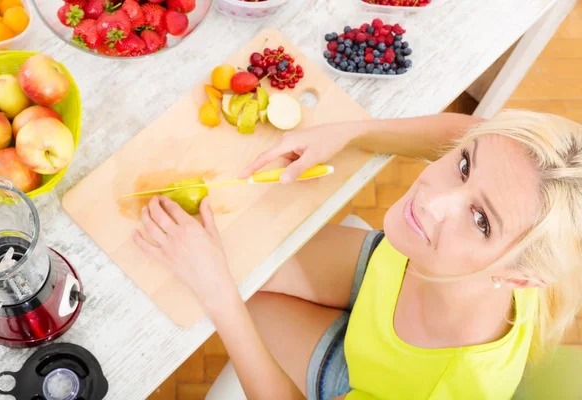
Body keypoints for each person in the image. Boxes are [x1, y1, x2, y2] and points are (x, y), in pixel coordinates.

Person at [133, 109, 582, 400]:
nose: (431, 199)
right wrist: (351, 132)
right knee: (239, 256)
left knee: (235, 290)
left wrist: (219, 297)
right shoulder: (510, 200)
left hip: (363, 384)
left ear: (522, 278)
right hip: (392, 273)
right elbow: (472, 133)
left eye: (481, 220)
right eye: (464, 166)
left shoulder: (444, 391)